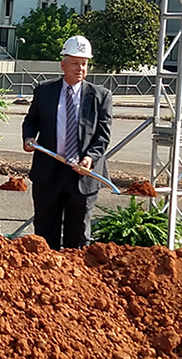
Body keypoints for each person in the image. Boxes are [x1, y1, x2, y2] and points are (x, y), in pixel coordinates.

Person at [23, 35, 112, 250]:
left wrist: (90, 158)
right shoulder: (44, 91)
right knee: (45, 233)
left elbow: (103, 135)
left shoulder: (101, 96)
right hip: (49, 173)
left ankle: (76, 280)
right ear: (63, 65)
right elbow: (32, 119)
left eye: (84, 64)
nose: (80, 68)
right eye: (75, 63)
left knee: (79, 237)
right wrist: (28, 137)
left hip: (82, 176)